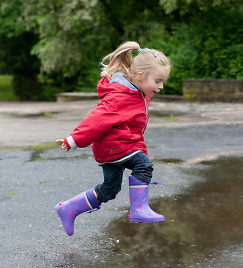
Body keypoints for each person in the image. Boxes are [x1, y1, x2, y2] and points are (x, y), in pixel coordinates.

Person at [55, 41, 171, 236]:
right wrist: (74, 139)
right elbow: (97, 119)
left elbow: (132, 128)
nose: (161, 86)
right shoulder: (121, 96)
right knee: (143, 164)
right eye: (158, 81)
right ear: (140, 76)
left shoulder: (136, 92)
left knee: (110, 190)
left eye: (163, 81)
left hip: (116, 148)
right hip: (114, 147)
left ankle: (67, 209)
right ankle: (139, 210)